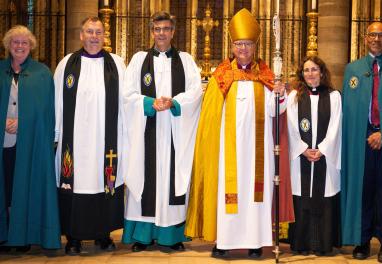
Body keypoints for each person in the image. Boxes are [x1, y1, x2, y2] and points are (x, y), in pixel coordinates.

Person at [185, 8, 294, 258]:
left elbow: (275, 112)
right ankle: (224, 241)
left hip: (258, 151)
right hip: (227, 151)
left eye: (247, 44)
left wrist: (279, 94)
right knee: (228, 192)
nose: (242, 48)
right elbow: (211, 117)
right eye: (238, 44)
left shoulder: (266, 75)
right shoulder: (221, 76)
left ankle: (256, 242)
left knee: (257, 194)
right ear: (232, 46)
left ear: (254, 46)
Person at [122, 11, 202, 252]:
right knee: (146, 179)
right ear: (152, 31)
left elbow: (196, 92)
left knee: (172, 181)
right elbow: (127, 94)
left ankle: (171, 236)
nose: (162, 34)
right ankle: (142, 236)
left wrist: (174, 103)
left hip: (174, 130)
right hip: (147, 128)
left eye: (166, 29)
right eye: (157, 29)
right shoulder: (138, 60)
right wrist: (149, 103)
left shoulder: (186, 61)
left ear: (173, 31)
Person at [54, 17, 126, 255]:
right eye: (89, 32)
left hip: (107, 140)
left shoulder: (116, 64)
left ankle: (103, 234)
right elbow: (57, 103)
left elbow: (127, 102)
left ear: (105, 36)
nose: (94, 37)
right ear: (81, 35)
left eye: (98, 32)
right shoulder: (67, 64)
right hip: (74, 141)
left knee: (103, 182)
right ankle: (73, 237)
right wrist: (56, 135)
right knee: (76, 183)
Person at [0, 25, 61, 251]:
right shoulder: (0, 71)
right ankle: (4, 233)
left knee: (24, 187)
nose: (19, 46)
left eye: (24, 43)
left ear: (31, 46)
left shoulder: (42, 73)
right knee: (5, 187)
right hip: (4, 143)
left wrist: (23, 123)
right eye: (15, 42)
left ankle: (22, 236)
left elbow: (46, 112)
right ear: (8, 46)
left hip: (30, 144)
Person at [342, 22, 382, 263]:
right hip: (360, 139)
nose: (376, 38)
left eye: (381, 35)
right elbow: (348, 109)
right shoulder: (353, 69)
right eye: (372, 34)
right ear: (365, 38)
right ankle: (361, 239)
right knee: (362, 189)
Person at [287, 56, 341, 256]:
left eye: (314, 69)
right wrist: (302, 149)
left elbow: (336, 126)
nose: (310, 73)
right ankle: (301, 243)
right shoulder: (294, 96)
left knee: (323, 194)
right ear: (302, 74)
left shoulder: (334, 96)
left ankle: (323, 244)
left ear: (322, 72)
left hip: (324, 159)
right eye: (306, 70)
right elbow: (291, 126)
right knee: (302, 195)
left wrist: (322, 149)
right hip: (301, 158)